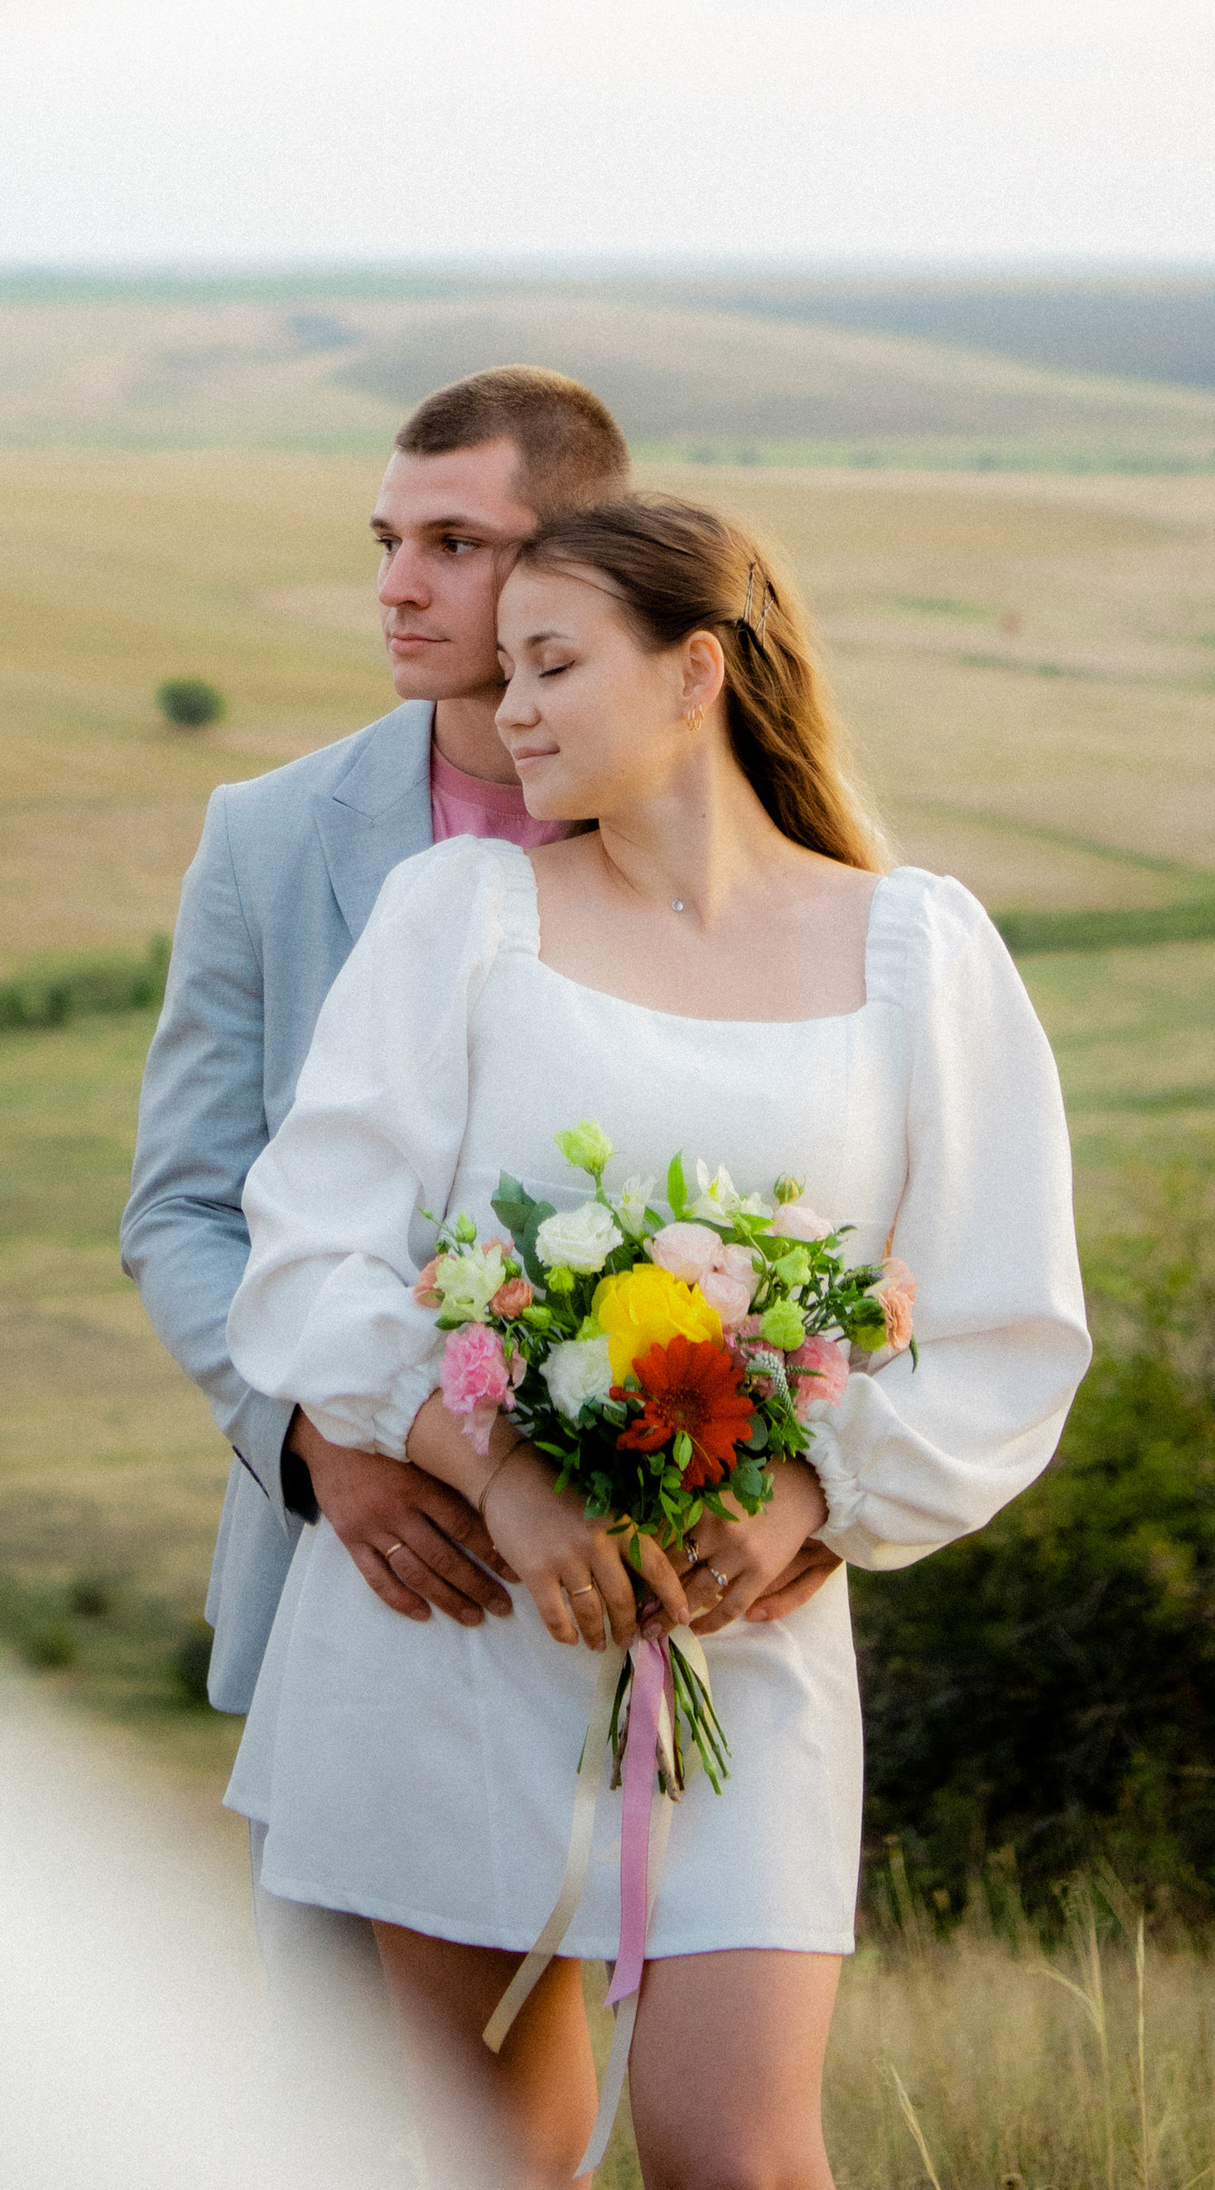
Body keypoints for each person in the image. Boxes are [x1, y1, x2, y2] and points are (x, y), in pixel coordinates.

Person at [224, 498, 1091, 2190]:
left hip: (739, 1642)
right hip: (461, 1618)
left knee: (738, 2154)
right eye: (505, 670)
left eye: (553, 664)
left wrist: (809, 1501)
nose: (512, 709)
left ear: (698, 668)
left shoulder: (922, 949)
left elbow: (1005, 1320)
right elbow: (310, 1254)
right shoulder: (461, 913)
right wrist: (512, 1479)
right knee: (500, 2155)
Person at [124, 362, 873, 2074]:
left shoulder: (761, 888)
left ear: (576, 559)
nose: (399, 582)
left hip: (677, 1601)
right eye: (388, 538)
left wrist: (790, 1472)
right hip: (382, 1574)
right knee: (370, 2120)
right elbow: (184, 1206)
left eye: (454, 545)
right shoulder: (272, 836)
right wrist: (330, 1442)